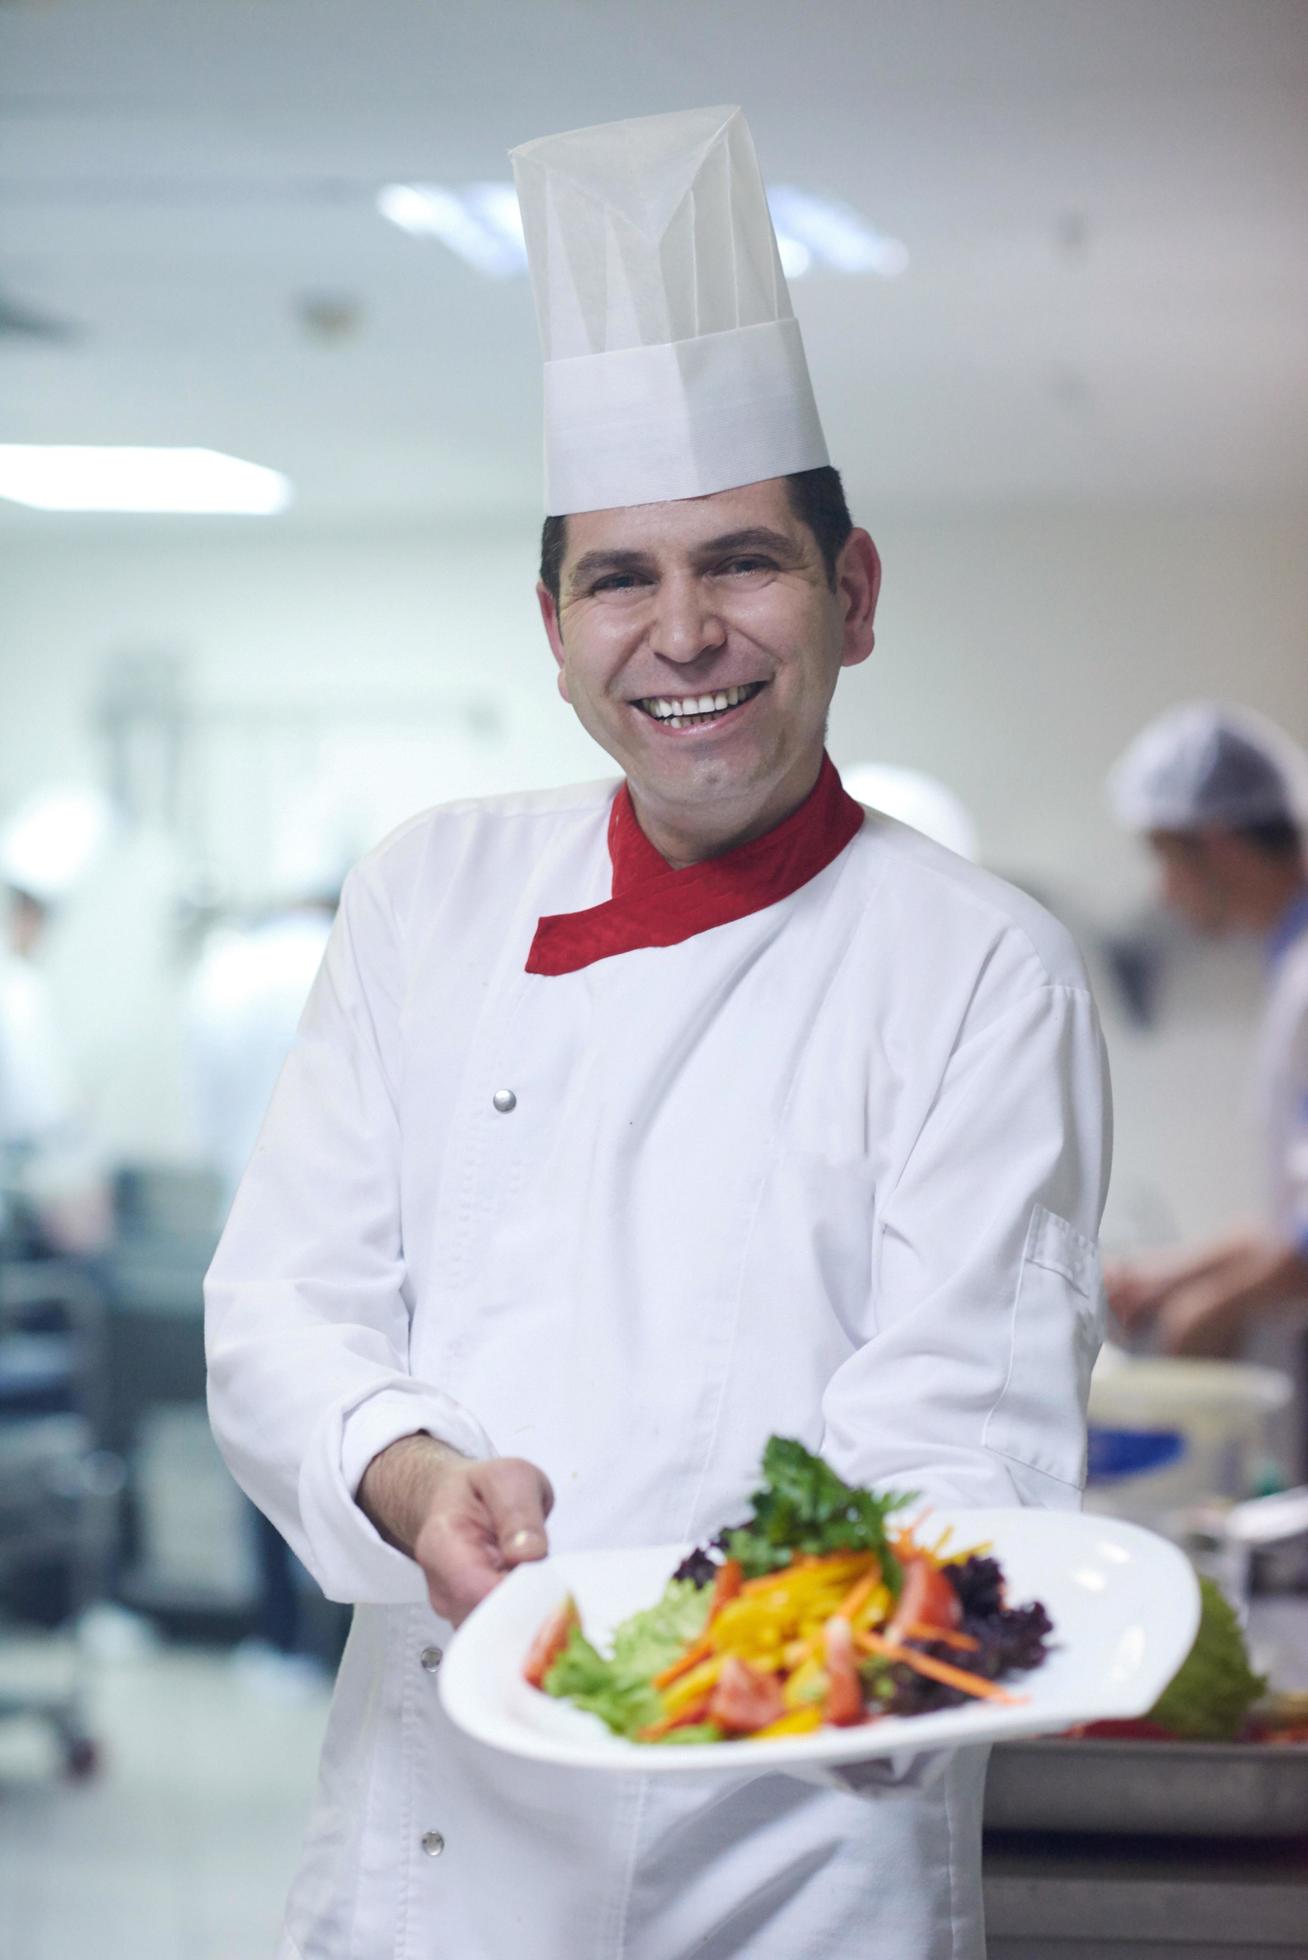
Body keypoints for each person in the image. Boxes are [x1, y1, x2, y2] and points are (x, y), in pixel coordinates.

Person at [205, 106, 1110, 1960]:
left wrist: (781, 1656)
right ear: (550, 629)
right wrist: (417, 1476)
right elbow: (283, 1308)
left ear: (849, 597)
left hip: (789, 1855)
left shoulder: (977, 971)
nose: (681, 631)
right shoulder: (429, 896)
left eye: (741, 564)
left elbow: (960, 1445)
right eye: (619, 577)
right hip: (431, 1842)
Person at [1105, 702, 1308, 1361]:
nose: (1165, 894)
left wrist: (1204, 1311)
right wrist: (1169, 1277)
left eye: (1168, 861)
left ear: (1217, 843)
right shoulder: (1289, 971)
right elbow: (1290, 1220)